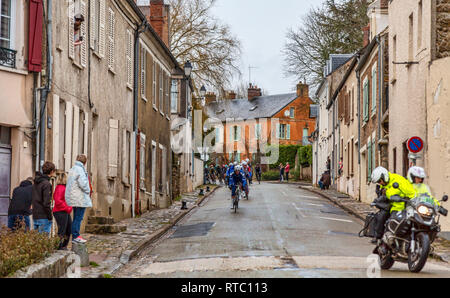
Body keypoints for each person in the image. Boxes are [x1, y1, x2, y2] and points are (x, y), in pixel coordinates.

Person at [371, 166, 416, 243]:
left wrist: (409, 200)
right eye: (378, 182)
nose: (380, 183)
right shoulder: (384, 185)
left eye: (380, 181)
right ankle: (381, 238)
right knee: (383, 218)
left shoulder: (399, 180)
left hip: (403, 206)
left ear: (384, 176)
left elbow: (412, 193)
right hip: (392, 207)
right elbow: (383, 196)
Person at [66, 155, 92, 244]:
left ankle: (75, 236)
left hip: (74, 197)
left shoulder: (72, 169)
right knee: (78, 218)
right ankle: (76, 236)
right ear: (85, 162)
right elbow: (83, 183)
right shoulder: (80, 170)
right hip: (80, 198)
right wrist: (88, 190)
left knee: (76, 217)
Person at [32, 162, 56, 234]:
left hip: (35, 215)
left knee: (37, 242)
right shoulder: (46, 184)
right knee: (44, 241)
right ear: (52, 171)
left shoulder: (36, 182)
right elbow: (46, 203)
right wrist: (50, 216)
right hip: (44, 216)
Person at [52, 173, 73, 250]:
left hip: (63, 211)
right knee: (62, 230)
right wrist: (68, 208)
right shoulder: (60, 188)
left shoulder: (63, 187)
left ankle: (64, 246)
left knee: (68, 229)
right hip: (60, 211)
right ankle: (59, 247)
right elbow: (58, 201)